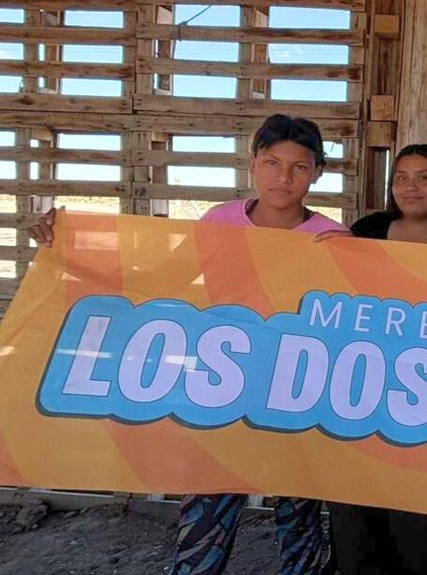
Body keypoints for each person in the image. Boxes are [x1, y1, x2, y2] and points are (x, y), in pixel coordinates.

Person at [31, 114, 342, 575]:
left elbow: (346, 318)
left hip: (296, 391)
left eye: (299, 166)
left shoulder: (333, 238)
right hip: (219, 385)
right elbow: (161, 275)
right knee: (207, 508)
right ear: (253, 163)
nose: (284, 177)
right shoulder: (219, 221)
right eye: (272, 163)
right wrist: (68, 242)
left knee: (300, 511)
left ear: (317, 172)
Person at [326, 143, 427, 575]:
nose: (410, 187)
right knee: (353, 519)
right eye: (401, 177)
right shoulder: (367, 231)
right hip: (365, 393)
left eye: (423, 177)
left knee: (414, 527)